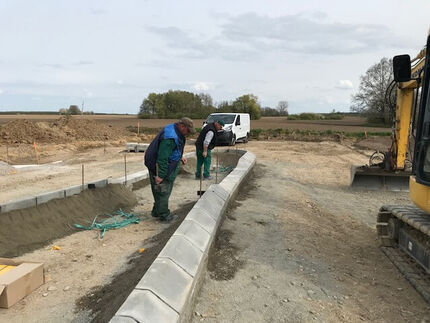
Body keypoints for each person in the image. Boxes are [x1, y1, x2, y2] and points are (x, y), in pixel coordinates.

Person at [144, 117, 195, 222]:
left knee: (160, 190)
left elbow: (174, 148)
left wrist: (180, 156)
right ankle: (164, 215)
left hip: (164, 163)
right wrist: (161, 175)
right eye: (187, 130)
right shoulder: (170, 138)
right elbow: (162, 158)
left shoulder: (174, 130)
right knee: (163, 190)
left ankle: (156, 211)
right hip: (159, 166)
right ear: (182, 126)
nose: (188, 133)